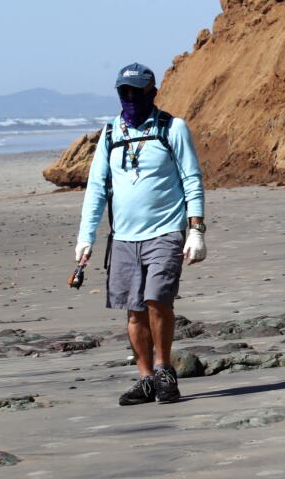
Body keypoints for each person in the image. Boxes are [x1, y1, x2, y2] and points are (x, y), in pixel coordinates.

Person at [75, 63, 207, 406]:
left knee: (157, 300)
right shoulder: (109, 134)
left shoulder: (173, 128)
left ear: (152, 92)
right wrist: (85, 237)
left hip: (166, 231)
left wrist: (196, 230)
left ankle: (165, 370)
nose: (130, 98)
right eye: (124, 92)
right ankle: (146, 378)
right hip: (123, 238)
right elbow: (96, 189)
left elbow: (192, 179)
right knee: (133, 311)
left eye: (137, 92)